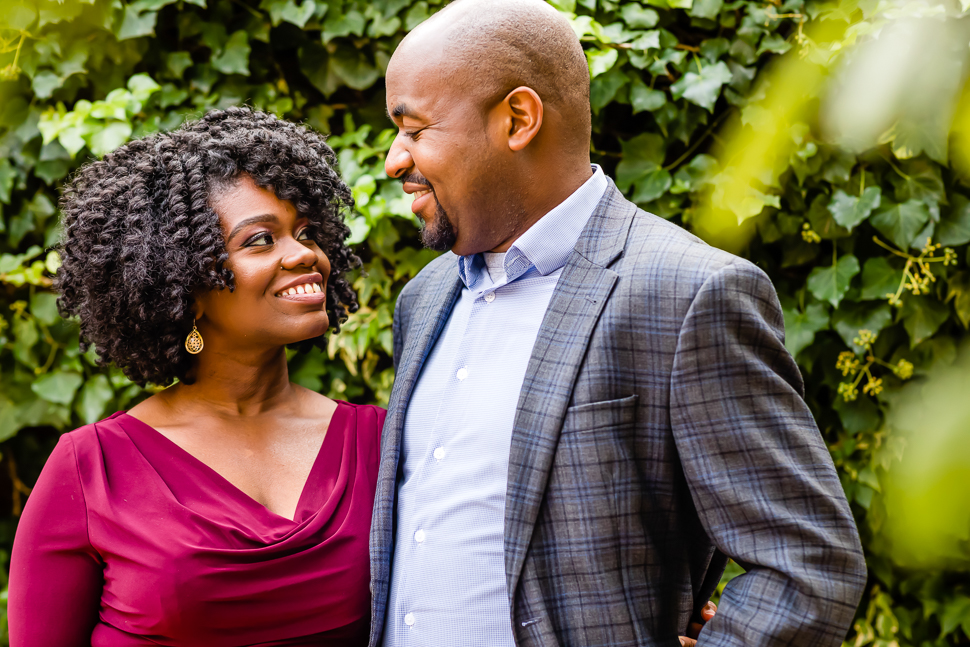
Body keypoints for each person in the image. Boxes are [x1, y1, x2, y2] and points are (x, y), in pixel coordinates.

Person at [369, 0, 868, 646]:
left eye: (414, 129)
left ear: (518, 118)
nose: (393, 160)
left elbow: (809, 565)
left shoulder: (688, 294)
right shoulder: (425, 298)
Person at [8, 107, 383, 646]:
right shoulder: (91, 469)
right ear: (184, 285)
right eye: (260, 240)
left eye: (305, 232)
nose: (304, 255)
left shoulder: (378, 442)